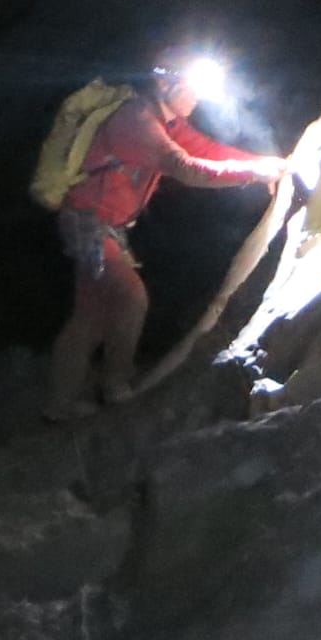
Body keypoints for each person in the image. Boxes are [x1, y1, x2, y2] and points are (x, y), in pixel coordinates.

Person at [44, 61, 285, 420]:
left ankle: (59, 404)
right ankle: (116, 387)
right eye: (192, 87)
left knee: (89, 316)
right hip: (87, 222)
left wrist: (264, 162)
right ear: (167, 85)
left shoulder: (166, 123)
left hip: (105, 224)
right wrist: (252, 173)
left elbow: (206, 150)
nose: (198, 97)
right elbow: (186, 167)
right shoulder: (136, 121)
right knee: (130, 298)